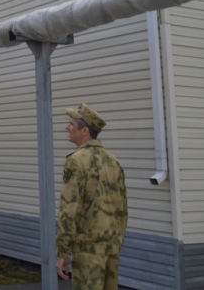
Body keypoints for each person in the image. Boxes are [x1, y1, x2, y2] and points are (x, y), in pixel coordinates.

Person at [56, 103, 128, 290]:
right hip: (111, 247)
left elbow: (68, 207)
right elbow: (123, 207)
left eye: (71, 124)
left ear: (85, 130)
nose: (67, 127)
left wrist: (62, 251)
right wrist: (117, 242)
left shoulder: (76, 161)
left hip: (88, 249)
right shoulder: (113, 160)